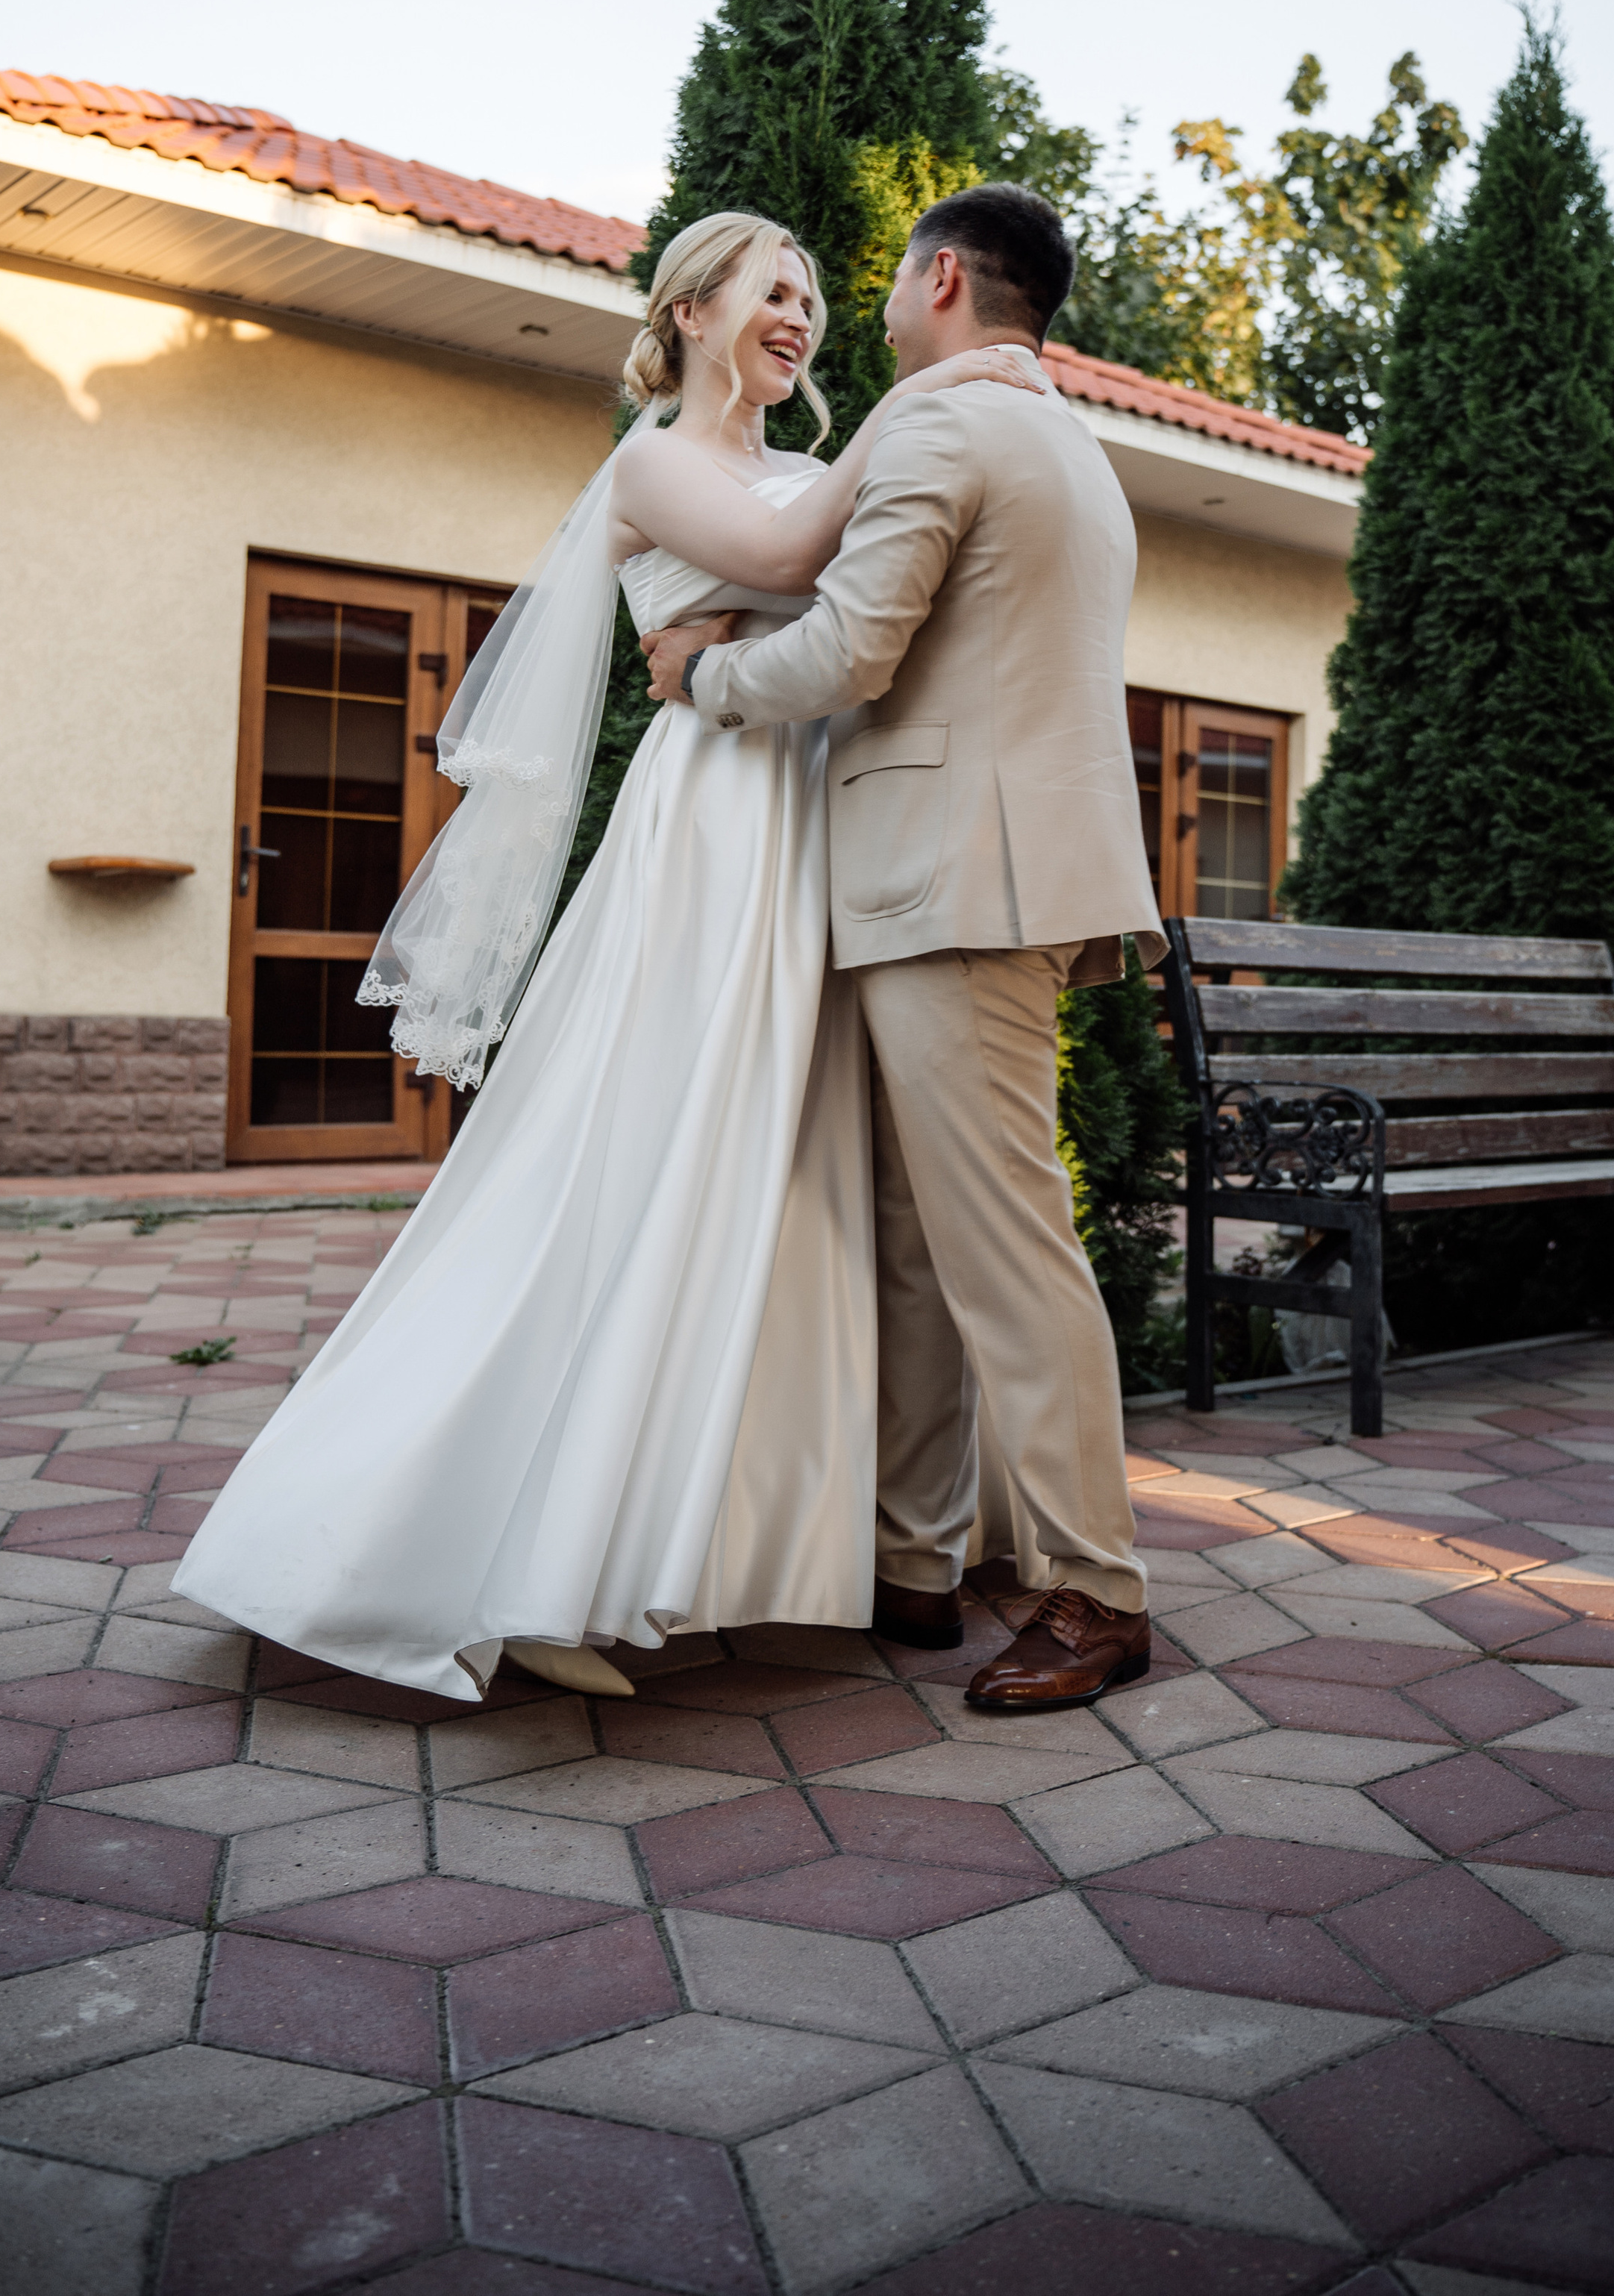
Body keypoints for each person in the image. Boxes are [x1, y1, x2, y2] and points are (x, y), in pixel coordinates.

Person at [174, 212, 1040, 1702]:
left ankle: (727, 1546)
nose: (805, 316)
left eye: (820, 296)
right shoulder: (658, 465)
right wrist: (938, 392)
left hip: (815, 840)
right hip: (709, 837)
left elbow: (856, 610)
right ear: (693, 311)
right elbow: (787, 557)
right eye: (775, 291)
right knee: (645, 1160)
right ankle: (518, 1559)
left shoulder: (802, 472)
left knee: (784, 1188)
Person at [645, 183, 1165, 1712]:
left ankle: (1093, 1590)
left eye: (883, 277)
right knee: (924, 1248)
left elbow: (850, 649)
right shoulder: (1063, 439)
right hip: (972, 882)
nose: (866, 304)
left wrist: (702, 674)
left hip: (953, 887)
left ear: (942, 279)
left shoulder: (944, 426)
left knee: (1000, 1248)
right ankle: (913, 1562)